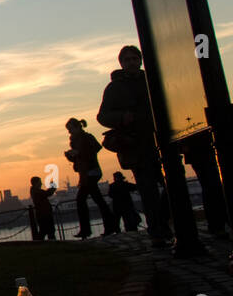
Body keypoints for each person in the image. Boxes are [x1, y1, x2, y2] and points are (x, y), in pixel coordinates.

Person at [97, 45, 171, 247]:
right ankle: (157, 230)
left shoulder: (152, 80)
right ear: (121, 63)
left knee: (172, 183)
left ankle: (164, 223)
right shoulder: (114, 88)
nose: (131, 62)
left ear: (140, 60)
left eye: (134, 58)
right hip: (137, 144)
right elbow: (102, 116)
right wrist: (122, 118)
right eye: (127, 59)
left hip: (160, 138)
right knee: (148, 190)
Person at [64, 118, 118, 239]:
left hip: (91, 172)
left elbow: (95, 150)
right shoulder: (75, 140)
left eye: (70, 129)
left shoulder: (87, 138)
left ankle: (87, 230)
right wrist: (71, 156)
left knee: (82, 200)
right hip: (86, 173)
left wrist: (78, 153)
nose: (69, 132)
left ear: (77, 127)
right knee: (97, 199)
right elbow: (79, 158)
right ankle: (111, 225)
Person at [29, 176, 57, 240]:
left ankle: (41, 243)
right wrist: (53, 186)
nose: (41, 184)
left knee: (43, 231)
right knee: (49, 230)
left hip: (41, 214)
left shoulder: (34, 191)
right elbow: (48, 193)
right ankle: (52, 243)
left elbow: (46, 193)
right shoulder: (37, 192)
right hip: (45, 214)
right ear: (36, 183)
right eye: (40, 182)